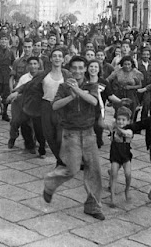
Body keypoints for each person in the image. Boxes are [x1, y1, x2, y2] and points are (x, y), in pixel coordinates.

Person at [43, 56, 105, 221]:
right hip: (70, 134)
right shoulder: (63, 87)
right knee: (71, 169)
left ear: (85, 69)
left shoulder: (92, 85)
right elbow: (55, 105)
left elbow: (93, 101)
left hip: (89, 133)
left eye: (81, 68)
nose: (78, 71)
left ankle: (93, 206)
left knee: (94, 171)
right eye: (74, 68)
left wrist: (77, 91)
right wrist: (71, 96)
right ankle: (49, 184)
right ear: (70, 70)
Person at [7, 56, 46, 157]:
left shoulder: (43, 76)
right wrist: (15, 94)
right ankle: (13, 137)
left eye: (35, 64)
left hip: (37, 105)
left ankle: (32, 145)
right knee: (16, 122)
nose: (33, 66)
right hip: (23, 103)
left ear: (38, 65)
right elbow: (19, 90)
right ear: (28, 66)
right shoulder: (24, 78)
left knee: (35, 126)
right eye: (31, 64)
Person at [100, 106, 133, 207]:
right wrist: (100, 112)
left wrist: (116, 127)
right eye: (118, 119)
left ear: (128, 121)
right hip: (115, 155)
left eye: (123, 120)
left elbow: (125, 133)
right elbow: (101, 124)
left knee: (128, 174)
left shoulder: (129, 130)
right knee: (114, 173)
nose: (120, 122)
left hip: (126, 156)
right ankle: (112, 197)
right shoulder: (113, 128)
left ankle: (127, 189)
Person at [107, 56, 142, 121]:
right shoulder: (117, 71)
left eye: (129, 64)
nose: (127, 66)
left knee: (131, 113)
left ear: (132, 64)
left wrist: (131, 87)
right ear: (122, 64)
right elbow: (108, 79)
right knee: (118, 112)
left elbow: (140, 85)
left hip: (131, 94)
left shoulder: (136, 72)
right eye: (125, 64)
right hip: (119, 93)